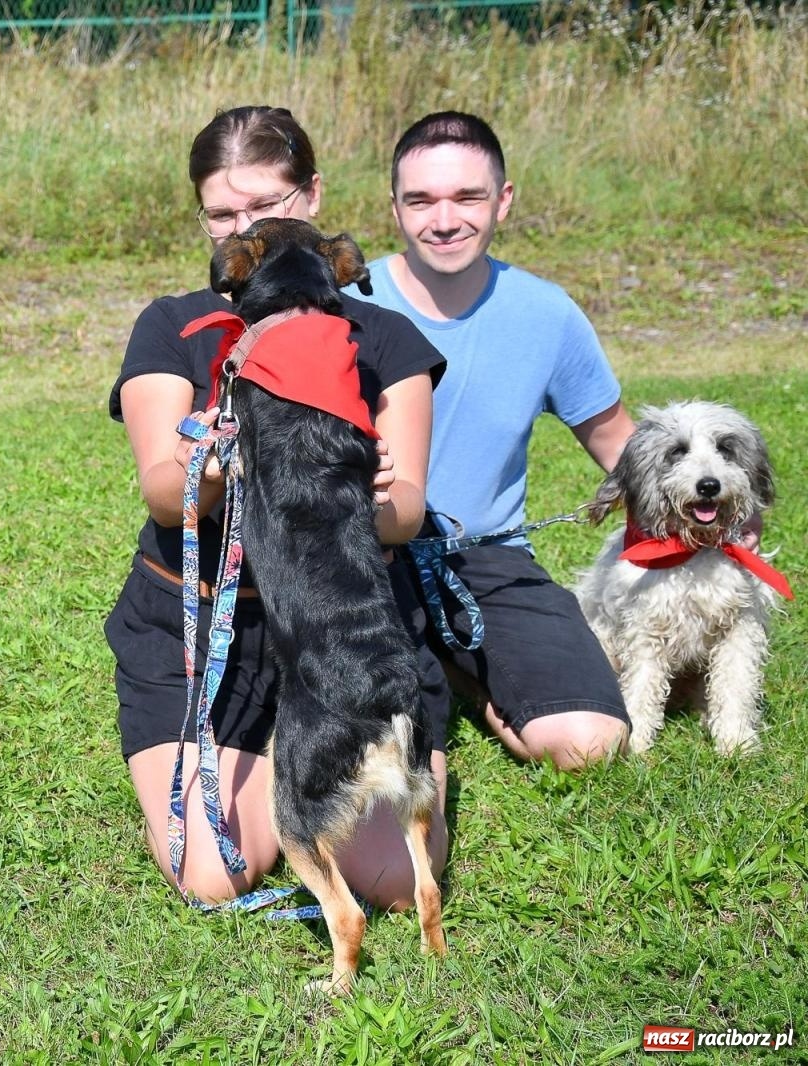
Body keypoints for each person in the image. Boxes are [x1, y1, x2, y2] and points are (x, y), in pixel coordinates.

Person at [105, 106, 448, 908]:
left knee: (393, 886)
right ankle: (258, 752)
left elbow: (405, 513)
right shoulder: (174, 325)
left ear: (313, 195)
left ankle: (295, 753)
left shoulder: (383, 336)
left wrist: (358, 493)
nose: (239, 232)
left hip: (342, 624)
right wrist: (222, 467)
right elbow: (164, 490)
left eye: (264, 207)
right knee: (215, 876)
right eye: (220, 214)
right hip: (201, 621)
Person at [350, 111, 634, 771]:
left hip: (486, 560)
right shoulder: (342, 303)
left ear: (503, 201)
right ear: (394, 209)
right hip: (362, 554)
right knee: (364, 755)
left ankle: (469, 677)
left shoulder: (547, 314)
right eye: (420, 200)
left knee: (590, 744)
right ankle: (441, 661)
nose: (443, 220)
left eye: (467, 197)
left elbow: (623, 444)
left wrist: (718, 511)